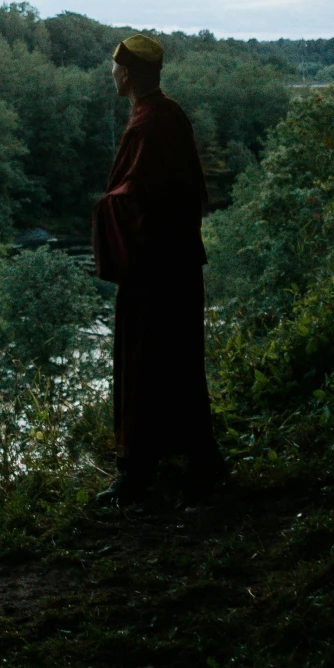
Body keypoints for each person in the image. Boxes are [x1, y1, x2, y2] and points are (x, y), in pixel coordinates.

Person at [90, 33, 224, 506]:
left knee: (142, 365)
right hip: (181, 264)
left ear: (126, 75)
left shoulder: (144, 126)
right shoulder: (171, 114)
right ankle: (199, 461)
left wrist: (104, 209)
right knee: (182, 362)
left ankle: (137, 473)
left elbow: (134, 201)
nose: (111, 75)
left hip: (152, 271)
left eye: (114, 69)